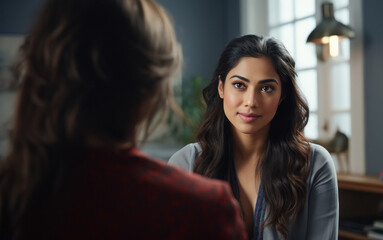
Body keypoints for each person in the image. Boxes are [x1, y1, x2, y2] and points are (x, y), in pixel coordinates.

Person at [0, 0, 247, 239]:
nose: (250, 100)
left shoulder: (14, 196)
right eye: (240, 85)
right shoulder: (202, 211)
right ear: (152, 93)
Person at [169, 34, 338, 239]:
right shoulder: (186, 164)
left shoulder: (315, 165)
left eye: (266, 88)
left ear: (282, 95)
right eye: (239, 85)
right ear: (221, 87)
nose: (251, 101)